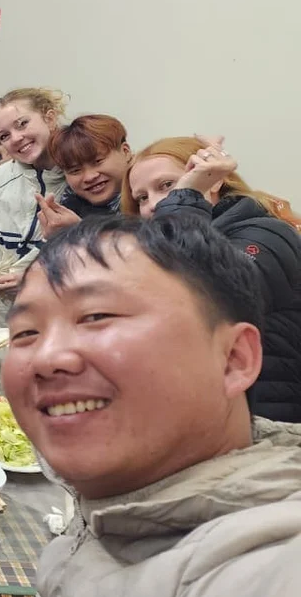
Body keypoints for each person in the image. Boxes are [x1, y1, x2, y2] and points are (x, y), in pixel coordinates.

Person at [3, 213, 301, 597]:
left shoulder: (265, 568)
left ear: (233, 359)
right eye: (26, 333)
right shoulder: (117, 512)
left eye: (96, 316)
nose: (47, 357)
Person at [123, 136, 301, 422]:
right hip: (210, 416)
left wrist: (186, 196)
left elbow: (207, 298)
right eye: (142, 197)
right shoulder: (164, 245)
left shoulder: (266, 233)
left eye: (167, 185)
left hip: (265, 428)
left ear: (214, 181)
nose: (153, 204)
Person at [0, 87, 67, 293]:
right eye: (4, 136)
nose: (16, 138)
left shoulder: (79, 179)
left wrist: (35, 280)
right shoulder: (0, 180)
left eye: (23, 124)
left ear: (50, 118)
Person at [37, 114, 130, 236]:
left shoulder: (151, 197)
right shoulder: (68, 206)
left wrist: (79, 234)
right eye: (75, 170)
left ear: (125, 152)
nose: (89, 177)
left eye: (97, 161)